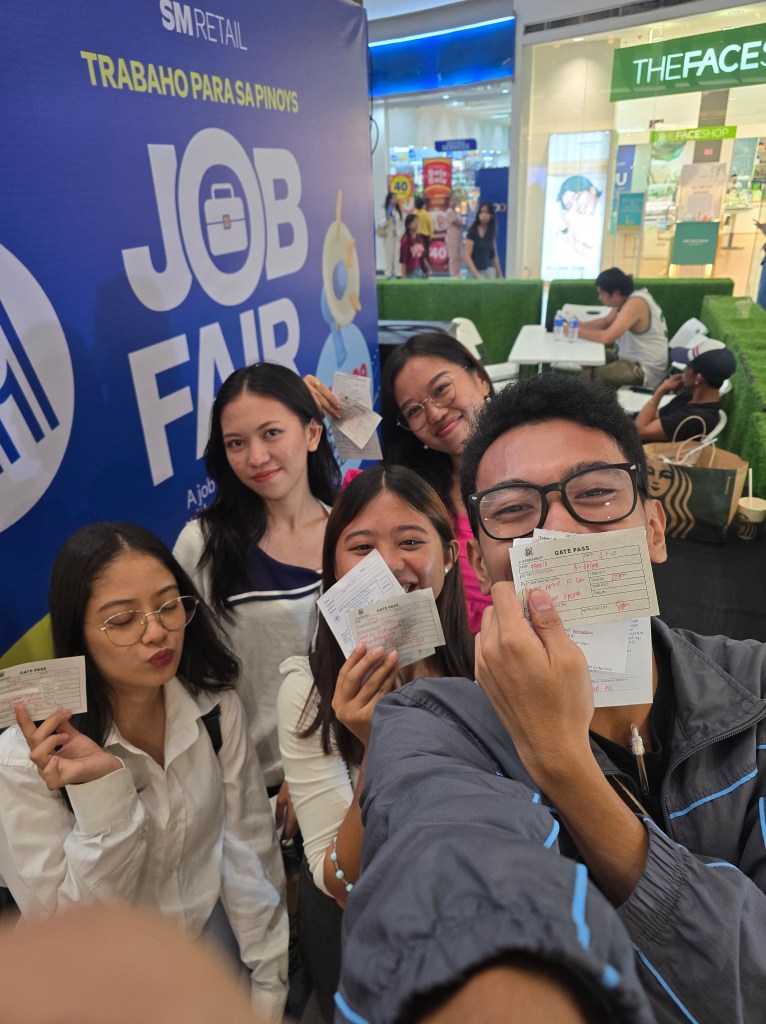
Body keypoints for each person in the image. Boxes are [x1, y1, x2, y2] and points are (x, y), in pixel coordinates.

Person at [338, 373, 766, 1024]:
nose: (557, 530)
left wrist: (563, 764)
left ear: (654, 529)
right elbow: (444, 872)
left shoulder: (754, 685)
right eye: (513, 511)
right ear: (478, 562)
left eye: (594, 493)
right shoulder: (432, 727)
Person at [0, 522, 287, 1023]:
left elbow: (248, 852)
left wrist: (268, 986)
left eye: (169, 605)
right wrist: (103, 795)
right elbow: (71, 935)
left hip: (207, 949)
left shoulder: (213, 705)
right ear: (78, 633)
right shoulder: (25, 758)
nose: (156, 632)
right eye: (123, 620)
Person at [277, 465, 473, 1021]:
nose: (387, 565)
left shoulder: (488, 667)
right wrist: (378, 749)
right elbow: (338, 881)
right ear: (334, 570)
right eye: (361, 547)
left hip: (475, 914)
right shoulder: (306, 691)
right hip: (366, 934)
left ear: (451, 556)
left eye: (410, 541)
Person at [173, 363, 340, 830]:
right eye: (236, 443)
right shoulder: (203, 544)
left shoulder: (349, 532)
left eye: (271, 433)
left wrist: (313, 764)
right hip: (245, 783)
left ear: (311, 433)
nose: (256, 456)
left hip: (339, 763)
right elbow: (186, 673)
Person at [380, 332, 495, 632]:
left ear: (481, 378)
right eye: (414, 411)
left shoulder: (543, 467)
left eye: (441, 389)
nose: (434, 413)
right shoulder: (413, 501)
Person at [577, 267, 668, 389]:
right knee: (588, 356)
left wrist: (573, 331)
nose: (600, 298)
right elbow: (605, 322)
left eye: (603, 294)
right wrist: (577, 325)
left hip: (644, 368)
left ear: (616, 293)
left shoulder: (635, 303)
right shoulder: (625, 299)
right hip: (629, 358)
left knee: (588, 376)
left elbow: (606, 337)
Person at [635, 338, 736, 442]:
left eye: (688, 366)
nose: (683, 370)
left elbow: (638, 432)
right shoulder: (690, 395)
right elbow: (653, 417)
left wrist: (661, 391)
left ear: (698, 378)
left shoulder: (694, 419)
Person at [464, 201, 503, 280]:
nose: (484, 215)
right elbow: (467, 255)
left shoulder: (491, 231)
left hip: (486, 272)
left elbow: (494, 255)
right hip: (472, 273)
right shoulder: (473, 230)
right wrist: (477, 274)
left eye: (487, 212)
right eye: (481, 212)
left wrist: (499, 274)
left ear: (491, 215)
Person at [378, 191, 404, 278]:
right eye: (393, 198)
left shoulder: (398, 210)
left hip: (397, 235)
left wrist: (401, 233)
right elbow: (381, 223)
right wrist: (387, 217)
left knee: (398, 254)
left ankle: (398, 272)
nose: (395, 200)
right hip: (388, 235)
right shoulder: (384, 209)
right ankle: (388, 273)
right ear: (389, 199)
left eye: (396, 198)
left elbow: (401, 223)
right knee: (389, 254)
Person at [399, 213, 429, 279]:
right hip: (411, 272)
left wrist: (428, 269)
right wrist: (404, 278)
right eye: (414, 221)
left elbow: (422, 256)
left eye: (417, 221)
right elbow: (403, 261)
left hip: (420, 271)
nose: (416, 223)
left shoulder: (419, 238)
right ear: (408, 225)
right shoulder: (405, 241)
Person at [444, 193, 465, 277]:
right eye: (453, 200)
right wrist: (464, 225)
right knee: (453, 256)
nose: (454, 202)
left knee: (461, 255)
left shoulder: (456, 212)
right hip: (451, 236)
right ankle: (453, 274)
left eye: (456, 200)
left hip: (458, 236)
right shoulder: (449, 211)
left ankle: (458, 272)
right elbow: (455, 222)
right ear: (449, 201)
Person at [413, 195, 433, 275]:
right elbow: (430, 225)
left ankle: (419, 270)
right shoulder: (426, 214)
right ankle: (426, 271)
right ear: (423, 205)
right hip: (425, 236)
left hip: (416, 236)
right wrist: (431, 234)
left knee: (417, 254)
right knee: (425, 254)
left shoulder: (414, 213)